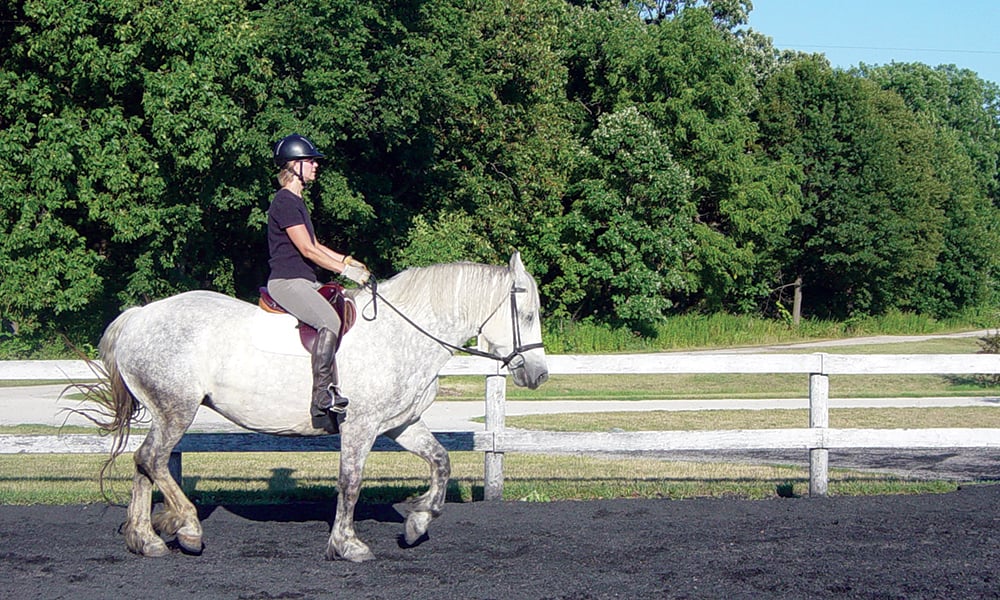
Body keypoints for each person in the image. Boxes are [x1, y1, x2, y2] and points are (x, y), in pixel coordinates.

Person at [266, 133, 370, 431]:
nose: (315, 166)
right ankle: (322, 397)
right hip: (287, 282)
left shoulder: (296, 201)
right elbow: (307, 250)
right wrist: (344, 271)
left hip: (304, 281)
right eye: (310, 161)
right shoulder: (284, 201)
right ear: (295, 165)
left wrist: (347, 261)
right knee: (329, 321)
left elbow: (316, 244)